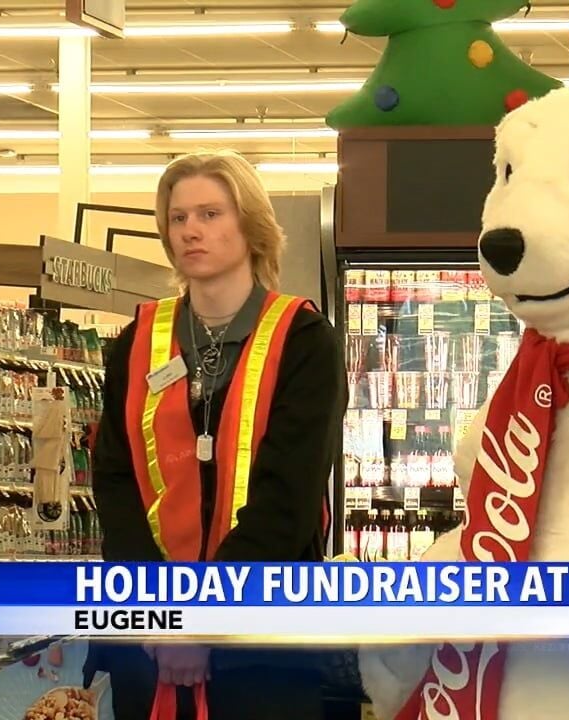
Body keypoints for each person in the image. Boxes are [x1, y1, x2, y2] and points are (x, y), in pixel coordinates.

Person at [86, 150, 348, 719]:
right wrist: (161, 617)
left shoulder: (304, 341)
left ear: (249, 224)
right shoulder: (137, 341)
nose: (190, 231)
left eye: (210, 214)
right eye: (177, 218)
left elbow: (290, 498)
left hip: (261, 643)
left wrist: (206, 621)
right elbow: (114, 477)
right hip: (147, 642)